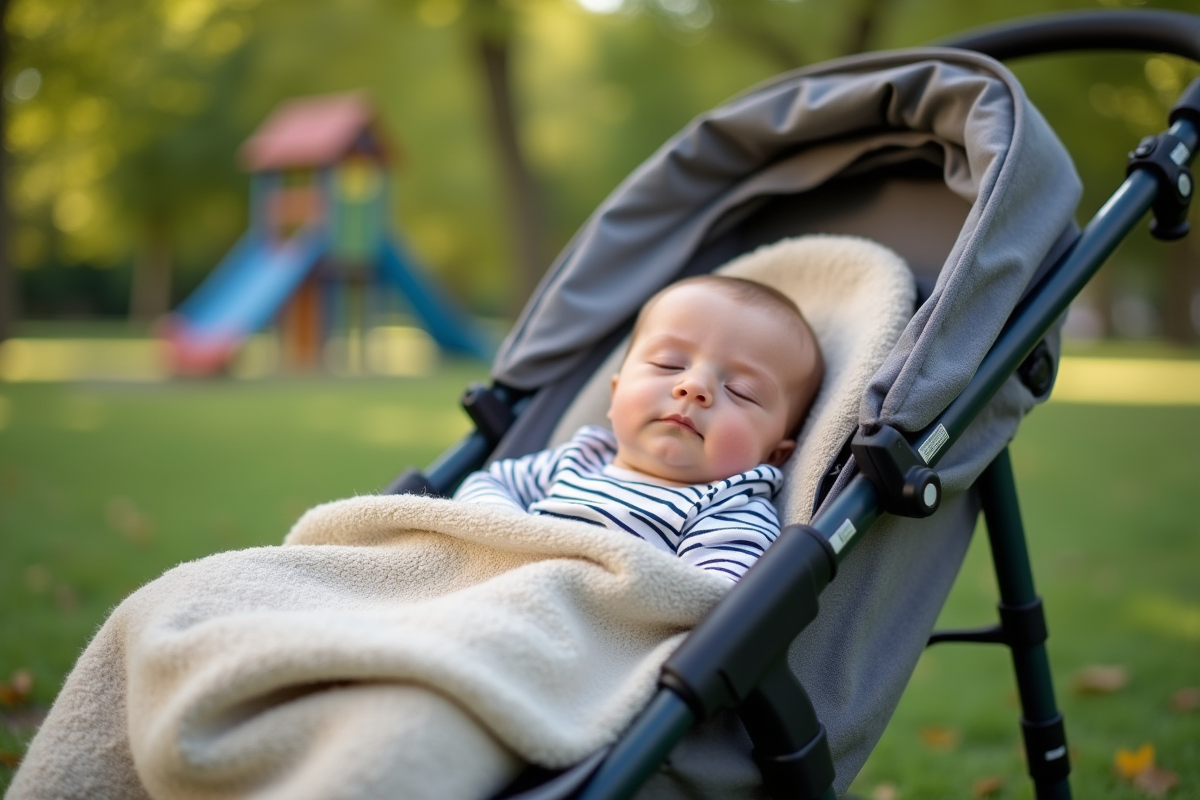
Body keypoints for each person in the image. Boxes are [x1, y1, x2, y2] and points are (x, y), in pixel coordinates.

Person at [455, 275, 824, 582]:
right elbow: (486, 484)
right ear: (614, 396)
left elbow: (711, 600)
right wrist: (512, 537)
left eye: (740, 391)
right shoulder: (578, 458)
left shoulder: (728, 508)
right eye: (668, 364)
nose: (694, 387)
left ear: (774, 455)